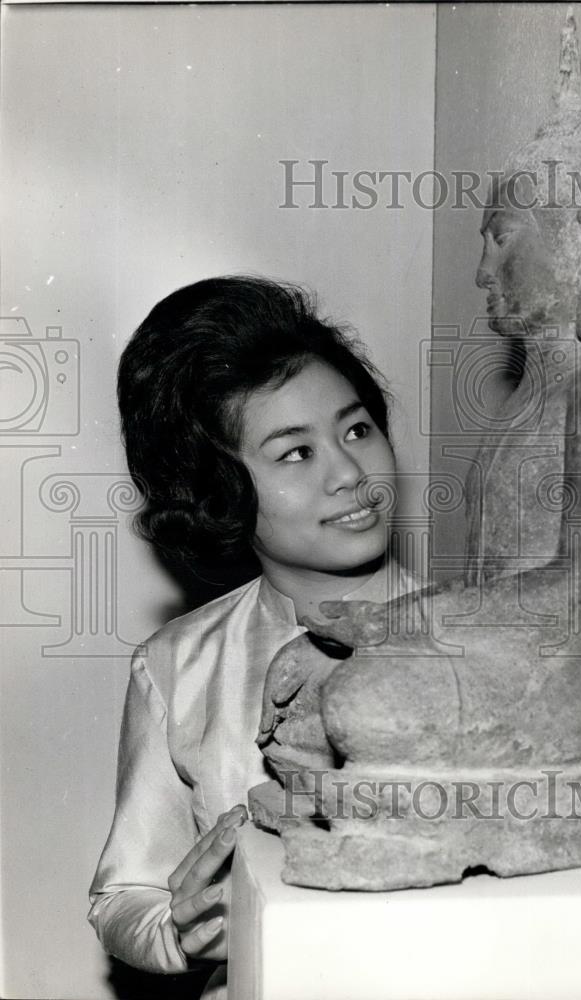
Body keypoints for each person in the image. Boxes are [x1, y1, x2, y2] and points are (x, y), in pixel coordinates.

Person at [88, 275, 404, 996]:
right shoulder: (175, 665)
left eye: (356, 429)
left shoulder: (480, 638)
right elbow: (122, 898)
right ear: (219, 488)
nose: (352, 473)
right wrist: (185, 927)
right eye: (296, 453)